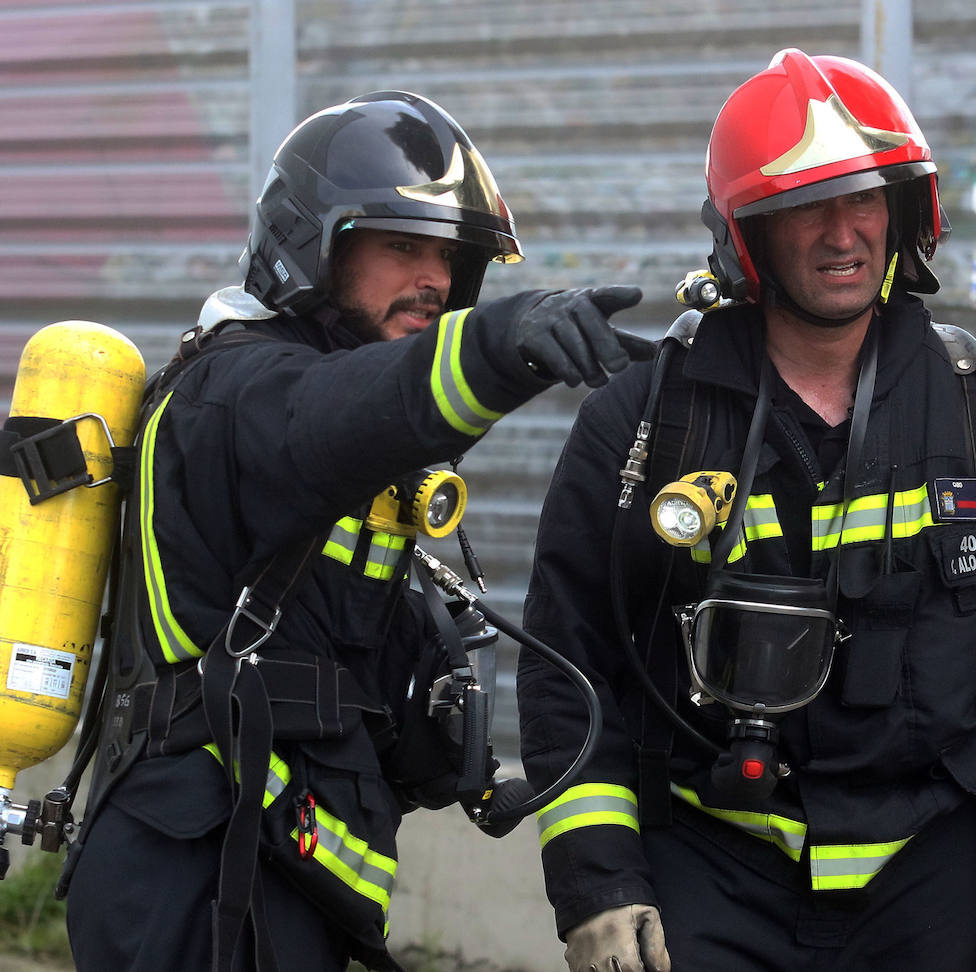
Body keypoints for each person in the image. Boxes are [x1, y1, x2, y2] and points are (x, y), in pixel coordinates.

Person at [516, 50, 976, 972]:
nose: (845, 234)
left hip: (934, 871)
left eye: (865, 200)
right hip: (710, 865)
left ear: (905, 211)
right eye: (808, 206)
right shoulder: (649, 420)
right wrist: (600, 885)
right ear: (747, 234)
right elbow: (571, 663)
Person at [60, 90, 652, 971]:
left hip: (270, 878)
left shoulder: (353, 459)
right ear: (314, 248)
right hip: (192, 881)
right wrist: (499, 347)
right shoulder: (239, 393)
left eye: (450, 257)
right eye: (401, 246)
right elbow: (339, 413)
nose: (436, 280)